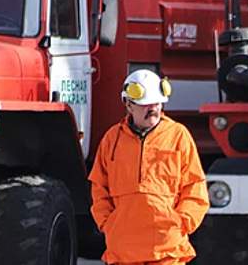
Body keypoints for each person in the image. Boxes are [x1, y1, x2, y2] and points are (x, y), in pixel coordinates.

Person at [89, 69, 210, 265]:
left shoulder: (178, 135)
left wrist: (181, 222)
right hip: (123, 250)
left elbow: (195, 186)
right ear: (129, 104)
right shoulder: (112, 139)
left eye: (157, 103)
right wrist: (107, 223)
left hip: (167, 250)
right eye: (146, 105)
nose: (153, 109)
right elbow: (99, 186)